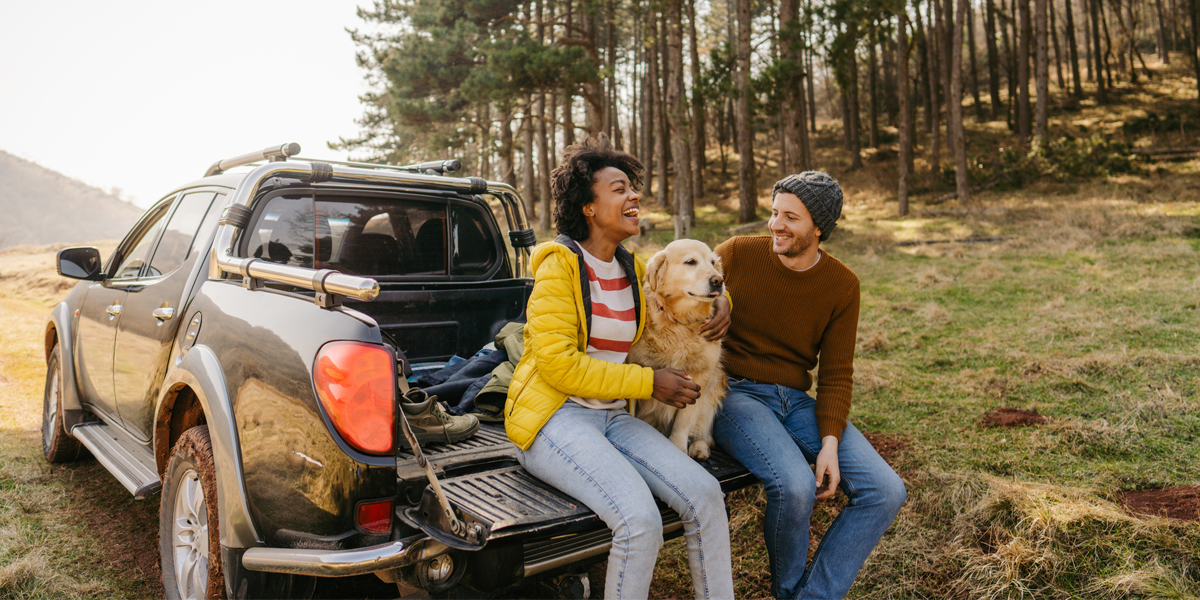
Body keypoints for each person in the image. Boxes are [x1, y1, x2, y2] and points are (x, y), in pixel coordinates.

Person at [505, 135, 734, 600]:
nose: (633, 197)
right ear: (588, 206)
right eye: (619, 189)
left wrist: (724, 297)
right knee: (639, 519)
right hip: (556, 417)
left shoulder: (631, 267)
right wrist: (650, 381)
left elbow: (687, 278)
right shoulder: (559, 266)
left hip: (614, 415)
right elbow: (558, 366)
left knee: (707, 497)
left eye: (633, 188)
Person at [703, 171, 907, 600]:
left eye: (790, 217)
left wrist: (829, 441)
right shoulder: (738, 252)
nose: (776, 224)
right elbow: (690, 280)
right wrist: (718, 296)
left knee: (885, 491)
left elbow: (836, 373)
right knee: (794, 486)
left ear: (818, 228)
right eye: (774, 212)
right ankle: (790, 591)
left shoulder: (841, 285)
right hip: (734, 391)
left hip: (796, 400)